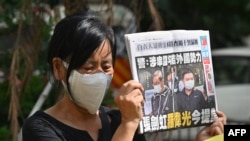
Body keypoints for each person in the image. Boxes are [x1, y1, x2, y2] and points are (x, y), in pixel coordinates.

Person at [22, 11, 226, 141]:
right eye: (89, 66)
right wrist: (129, 124)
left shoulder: (118, 120)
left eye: (106, 66)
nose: (100, 75)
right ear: (59, 68)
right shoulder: (40, 128)